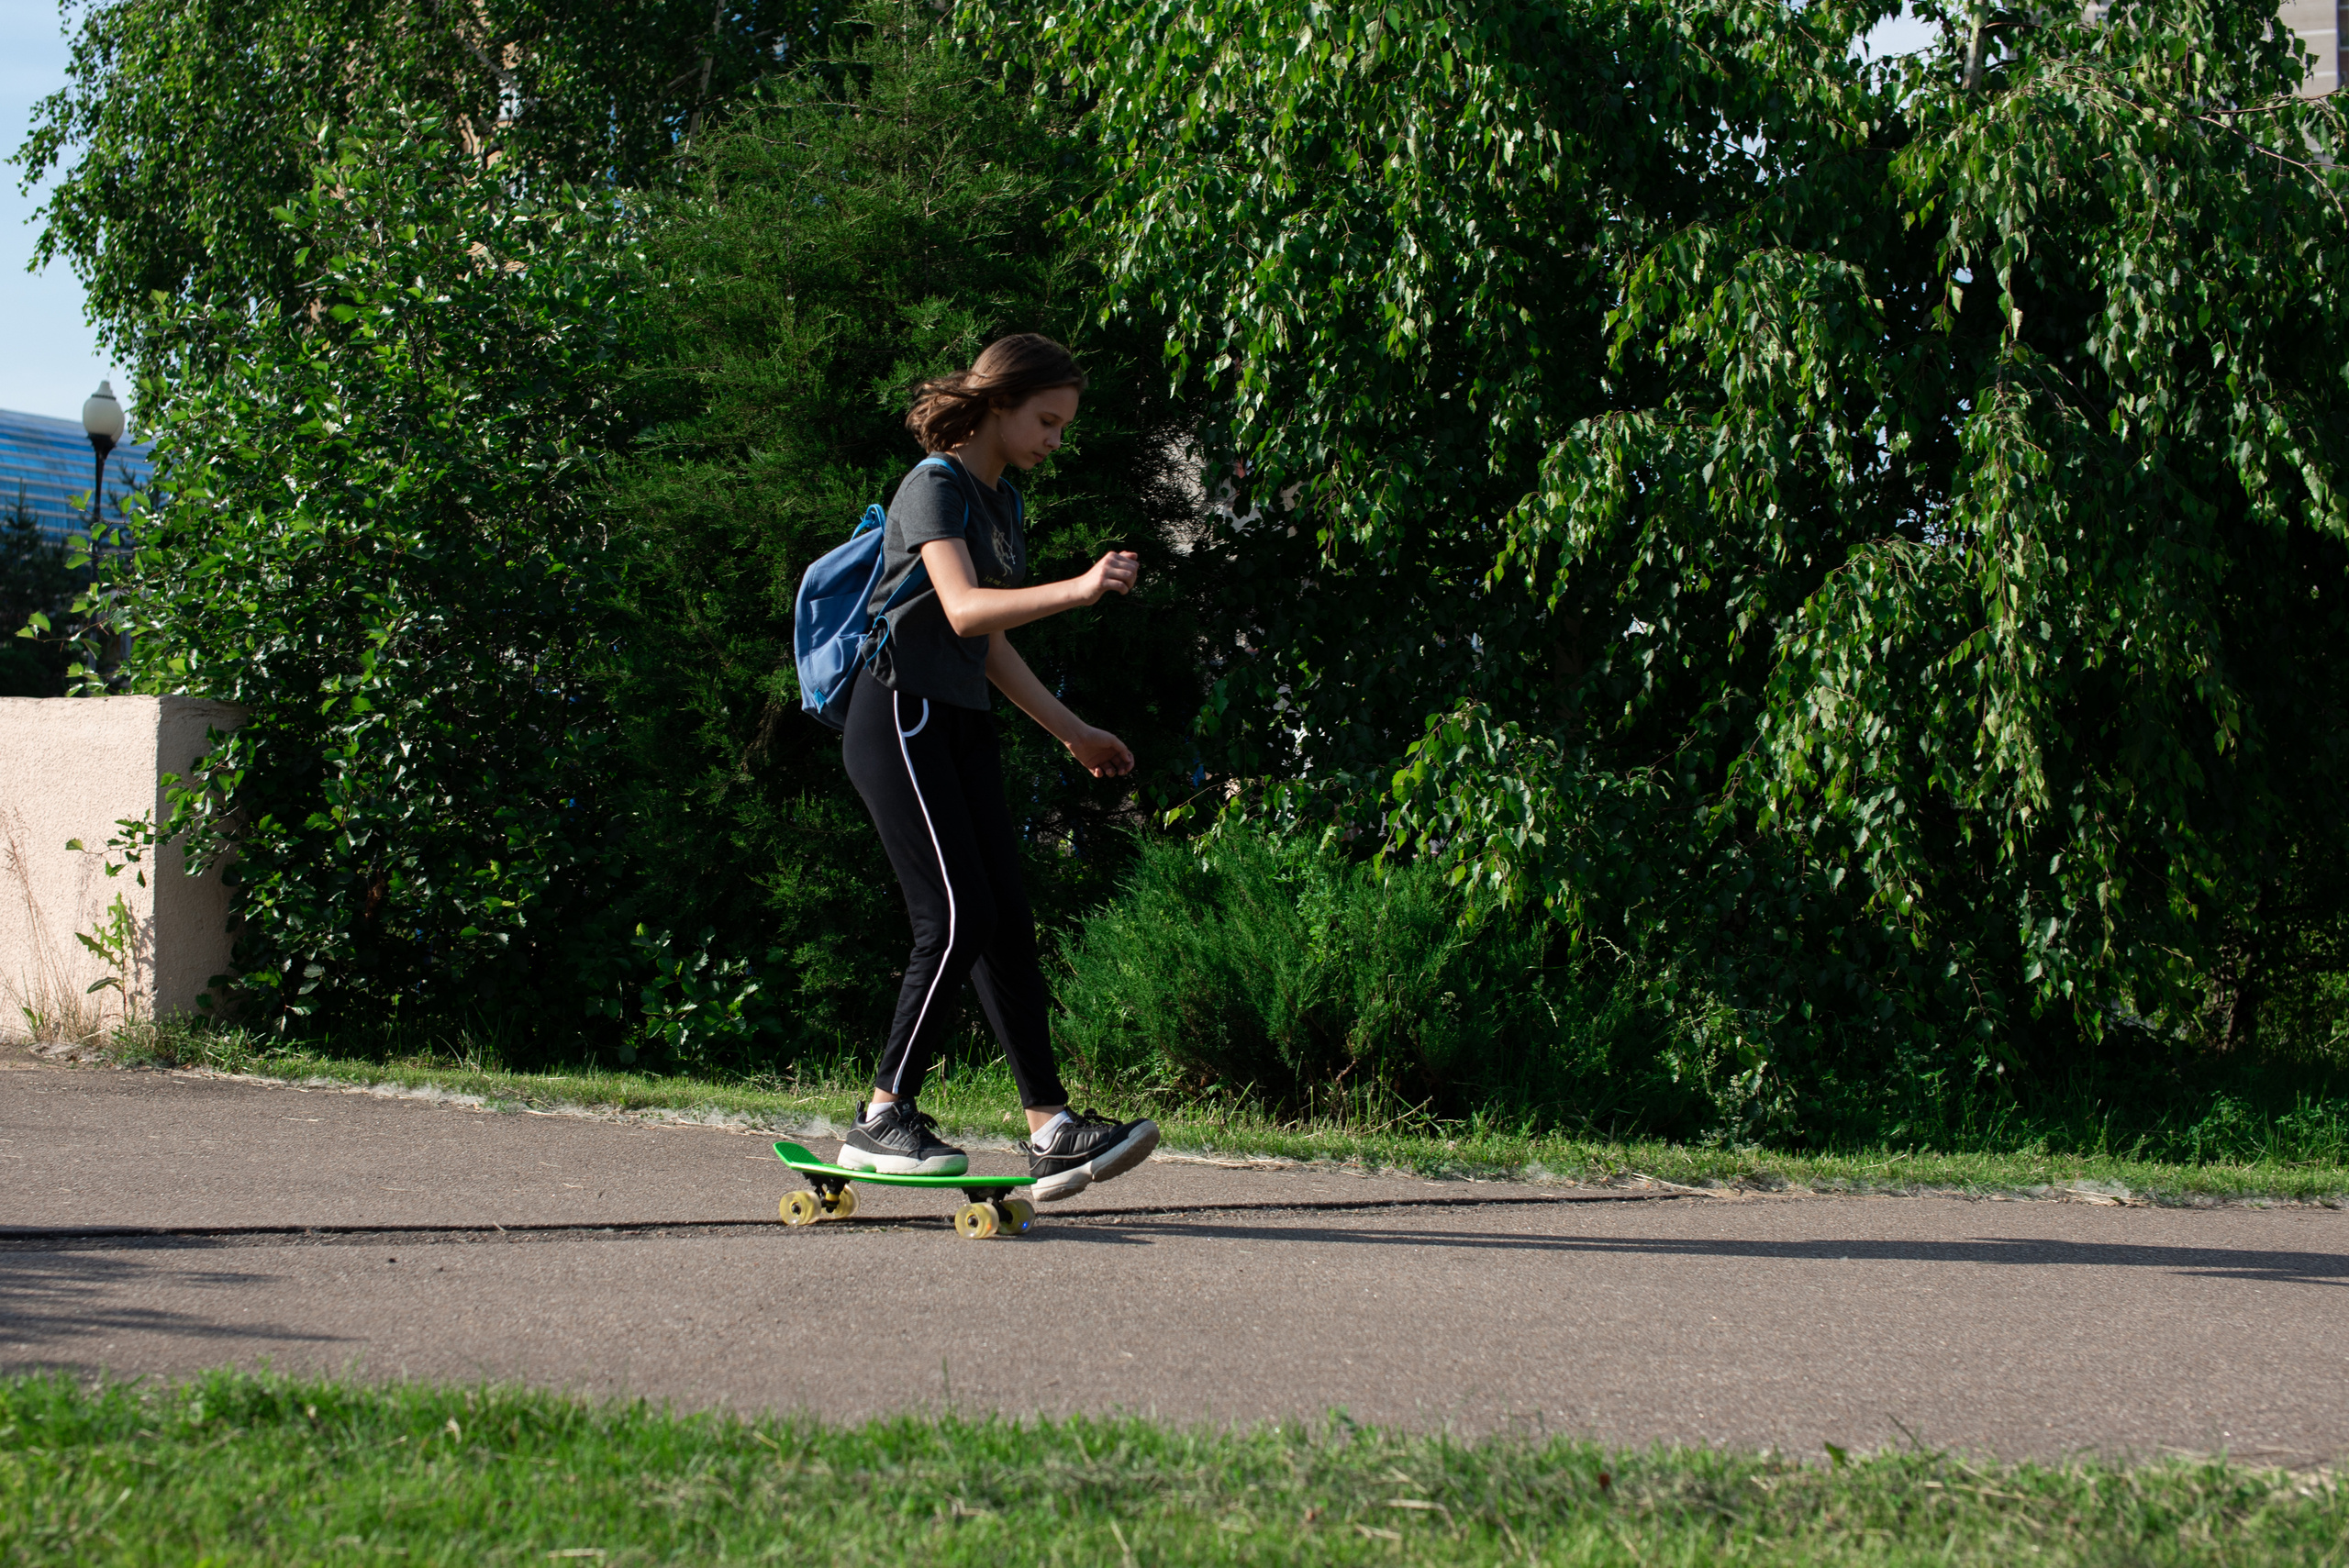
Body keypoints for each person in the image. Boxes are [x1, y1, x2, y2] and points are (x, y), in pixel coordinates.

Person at [835, 333, 1160, 1201]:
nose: (1055, 439)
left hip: (959, 720)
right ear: (999, 404)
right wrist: (1081, 588)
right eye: (1046, 420)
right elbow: (963, 607)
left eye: (1064, 426)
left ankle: (1051, 1128)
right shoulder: (934, 484)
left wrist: (1073, 732)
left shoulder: (1002, 500)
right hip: (898, 714)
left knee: (1006, 920)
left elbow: (989, 648)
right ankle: (881, 1115)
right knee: (955, 915)